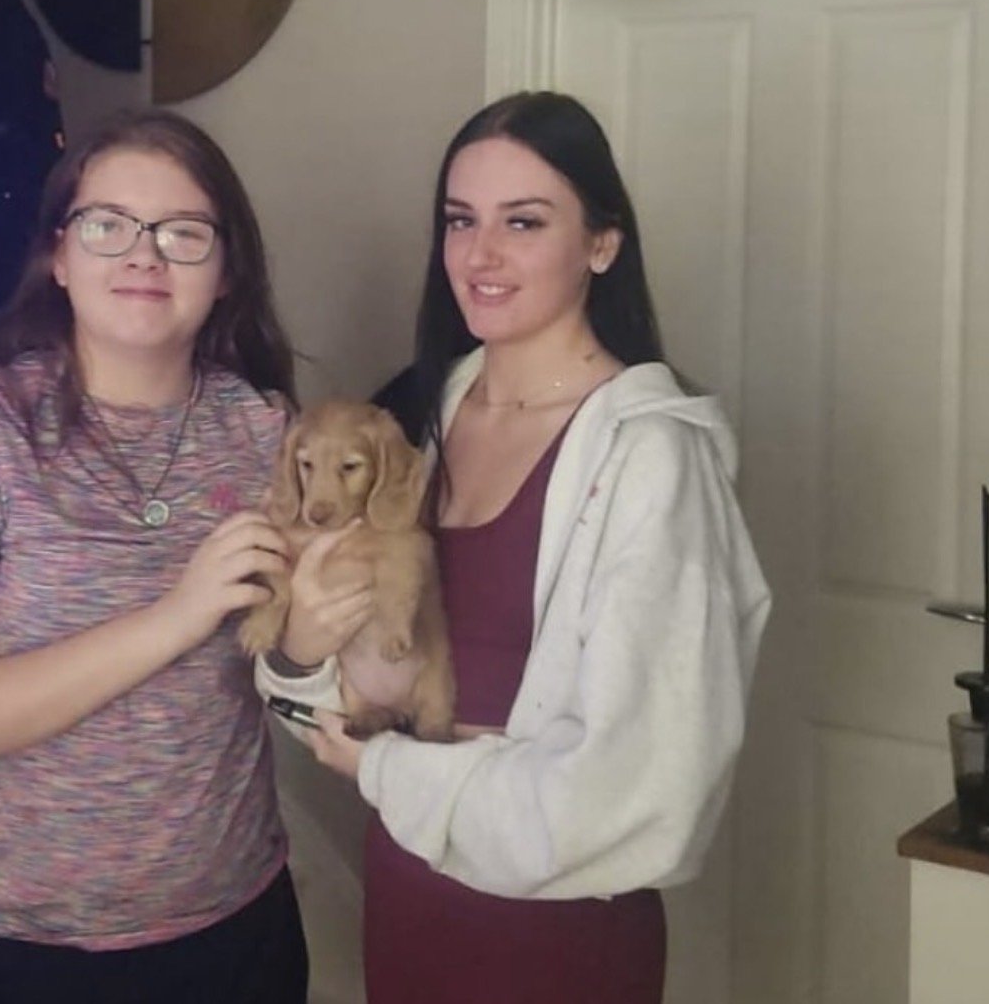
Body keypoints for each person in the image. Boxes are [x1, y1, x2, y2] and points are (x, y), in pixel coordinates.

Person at [258, 91, 771, 1004]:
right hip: (407, 891)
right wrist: (297, 655)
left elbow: (649, 787)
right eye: (461, 220)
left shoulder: (653, 459)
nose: (480, 255)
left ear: (602, 244)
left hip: (554, 931)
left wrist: (389, 768)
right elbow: (329, 697)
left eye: (523, 222)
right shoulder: (416, 416)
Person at [0, 109, 325, 1004]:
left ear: (227, 272)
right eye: (107, 225)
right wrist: (174, 617)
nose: (144, 256)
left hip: (234, 940)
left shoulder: (266, 433)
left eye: (183, 232)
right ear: (59, 254)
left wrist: (318, 641)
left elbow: (299, 666)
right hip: (7, 952)